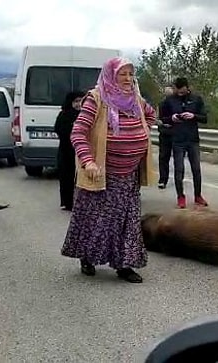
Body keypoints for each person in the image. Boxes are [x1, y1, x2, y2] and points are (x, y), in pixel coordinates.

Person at [60, 57, 156, 284]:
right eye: (122, 74)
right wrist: (89, 162)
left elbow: (151, 115)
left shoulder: (136, 100)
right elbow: (78, 133)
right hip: (101, 174)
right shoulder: (96, 99)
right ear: (110, 75)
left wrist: (139, 132)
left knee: (127, 222)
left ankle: (124, 265)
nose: (128, 79)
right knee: (95, 221)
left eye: (131, 74)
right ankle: (88, 258)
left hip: (128, 175)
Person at [159, 77, 209, 208]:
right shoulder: (169, 101)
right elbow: (162, 119)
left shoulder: (196, 99)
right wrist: (172, 118)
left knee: (196, 169)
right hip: (177, 139)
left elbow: (205, 118)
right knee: (179, 169)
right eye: (178, 91)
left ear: (187, 88)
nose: (180, 93)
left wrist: (194, 116)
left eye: (182, 91)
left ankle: (198, 196)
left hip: (193, 139)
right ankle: (180, 196)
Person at [54, 91, 85, 211]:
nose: (78, 104)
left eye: (80, 101)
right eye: (76, 101)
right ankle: (68, 202)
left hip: (81, 151)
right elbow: (58, 129)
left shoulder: (86, 115)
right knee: (67, 177)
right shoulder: (64, 114)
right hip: (66, 151)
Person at [157, 84, 175, 189]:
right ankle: (163, 179)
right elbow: (157, 118)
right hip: (164, 133)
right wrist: (163, 124)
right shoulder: (160, 104)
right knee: (163, 157)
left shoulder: (177, 104)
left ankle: (178, 179)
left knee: (177, 158)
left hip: (175, 133)